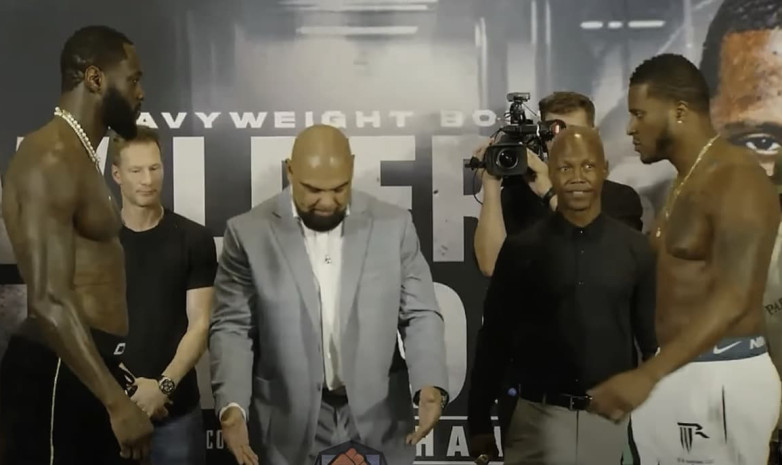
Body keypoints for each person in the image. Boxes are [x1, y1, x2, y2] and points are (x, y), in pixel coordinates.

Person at [209, 124, 449, 465]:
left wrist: (429, 383)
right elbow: (232, 326)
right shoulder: (247, 233)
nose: (327, 202)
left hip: (379, 416)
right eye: (312, 189)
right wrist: (232, 405)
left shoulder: (394, 225)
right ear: (290, 171)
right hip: (287, 423)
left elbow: (420, 312)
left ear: (352, 167)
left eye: (339, 188)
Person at [588, 53, 782, 464]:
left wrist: (648, 375)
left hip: (722, 376)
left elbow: (735, 297)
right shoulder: (684, 181)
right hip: (675, 371)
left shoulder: (736, 179)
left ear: (678, 112)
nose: (630, 127)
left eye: (639, 114)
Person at [0, 25, 152, 464]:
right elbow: (49, 299)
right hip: (54, 373)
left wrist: (114, 382)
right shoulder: (50, 157)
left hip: (85, 370)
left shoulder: (79, 155)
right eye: (133, 79)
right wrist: (116, 403)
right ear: (95, 78)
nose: (141, 93)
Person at [467, 126, 657, 464]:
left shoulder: (635, 249)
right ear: (551, 172)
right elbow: (494, 339)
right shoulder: (520, 250)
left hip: (608, 421)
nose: (577, 177)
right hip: (533, 419)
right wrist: (478, 420)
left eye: (588, 166)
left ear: (604, 170)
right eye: (566, 167)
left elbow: (650, 343)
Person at [109, 126, 216, 465]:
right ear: (117, 174)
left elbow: (200, 324)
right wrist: (129, 394)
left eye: (154, 168)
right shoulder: (95, 244)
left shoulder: (194, 239)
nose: (147, 179)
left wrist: (162, 388)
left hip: (176, 414)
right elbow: (83, 330)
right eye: (136, 170)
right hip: (110, 414)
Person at [473, 91, 643, 278]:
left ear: (595, 134)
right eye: (554, 132)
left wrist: (549, 193)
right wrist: (491, 183)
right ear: (541, 136)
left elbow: (609, 262)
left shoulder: (620, 198)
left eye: (575, 132)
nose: (565, 142)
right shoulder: (515, 197)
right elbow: (491, 266)